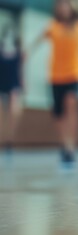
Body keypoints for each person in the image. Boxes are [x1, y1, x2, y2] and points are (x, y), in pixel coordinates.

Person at [27, 0, 78, 167]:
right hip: (56, 76)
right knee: (58, 115)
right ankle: (64, 144)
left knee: (71, 104)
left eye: (67, 4)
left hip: (75, 73)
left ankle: (71, 148)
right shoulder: (52, 27)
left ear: (73, 7)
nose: (63, 7)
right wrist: (24, 56)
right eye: (61, 4)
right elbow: (35, 43)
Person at [0, 21, 23, 154]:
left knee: (14, 111)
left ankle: (9, 140)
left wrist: (23, 83)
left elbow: (20, 70)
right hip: (1, 82)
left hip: (13, 83)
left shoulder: (19, 52)